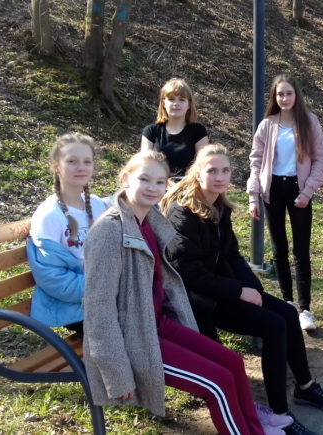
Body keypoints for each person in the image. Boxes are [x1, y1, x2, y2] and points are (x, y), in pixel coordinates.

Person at [82, 151, 289, 435]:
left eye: (160, 182)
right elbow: (98, 310)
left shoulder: (148, 222)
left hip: (158, 324)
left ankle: (255, 428)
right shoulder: (109, 230)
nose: (153, 188)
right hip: (135, 338)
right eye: (144, 179)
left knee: (232, 362)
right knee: (217, 384)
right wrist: (117, 373)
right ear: (126, 178)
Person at [163, 145, 323, 435]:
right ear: (197, 174)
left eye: (225, 170)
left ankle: (305, 386)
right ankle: (280, 414)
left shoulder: (220, 206)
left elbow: (233, 255)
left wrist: (253, 289)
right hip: (200, 301)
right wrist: (239, 292)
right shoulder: (182, 213)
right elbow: (189, 273)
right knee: (274, 326)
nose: (220, 177)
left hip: (223, 288)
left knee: (287, 312)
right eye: (212, 171)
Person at [247, 74, 323, 331]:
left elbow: (321, 159)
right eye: (280, 94)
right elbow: (255, 161)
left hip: (299, 189)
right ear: (274, 96)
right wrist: (253, 196)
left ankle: (305, 309)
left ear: (296, 95)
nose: (284, 98)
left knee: (301, 251)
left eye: (288, 93)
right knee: (279, 249)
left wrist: (308, 191)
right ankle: (288, 302)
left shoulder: (309, 122)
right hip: (272, 191)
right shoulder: (267, 125)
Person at [27, 133, 108, 335]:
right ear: (56, 166)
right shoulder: (49, 216)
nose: (81, 167)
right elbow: (52, 278)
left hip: (104, 298)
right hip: (72, 307)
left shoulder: (98, 205)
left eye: (87, 161)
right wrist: (103, 287)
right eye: (72, 161)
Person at [141, 78, 209, 179]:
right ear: (163, 103)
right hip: (158, 184)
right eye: (171, 99)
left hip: (189, 185)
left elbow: (203, 165)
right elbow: (145, 165)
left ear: (189, 105)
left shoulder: (198, 131)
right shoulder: (150, 131)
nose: (176, 103)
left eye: (182, 100)